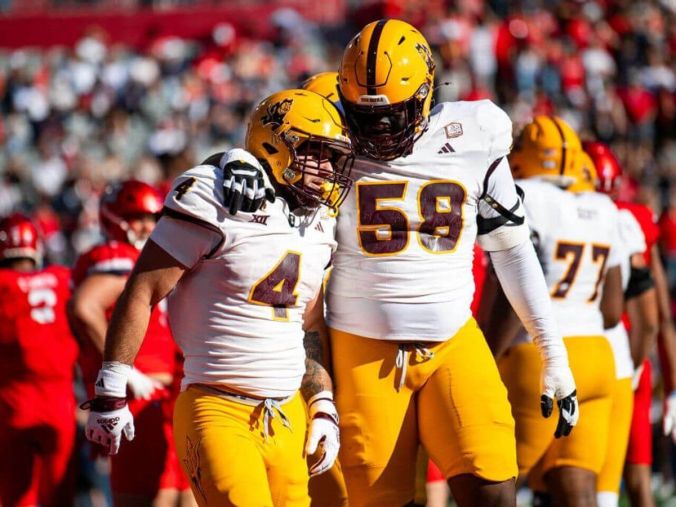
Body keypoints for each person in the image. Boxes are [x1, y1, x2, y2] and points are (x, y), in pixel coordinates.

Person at [328, 20, 579, 506]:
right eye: (366, 115)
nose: (379, 129)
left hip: (452, 341)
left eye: (393, 115)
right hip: (361, 347)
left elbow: (511, 248)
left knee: (495, 489)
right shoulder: (327, 136)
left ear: (426, 95)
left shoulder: (474, 134)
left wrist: (553, 351)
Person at [81, 88, 355, 506]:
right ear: (275, 145)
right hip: (218, 407)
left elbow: (308, 325)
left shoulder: (320, 223)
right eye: (316, 153)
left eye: (333, 157)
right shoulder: (219, 193)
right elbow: (142, 289)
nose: (328, 168)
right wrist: (111, 387)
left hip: (288, 414)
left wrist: (321, 402)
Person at [481, 116, 624, 506]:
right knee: (575, 486)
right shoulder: (603, 207)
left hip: (538, 355)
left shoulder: (525, 196)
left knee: (494, 480)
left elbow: (513, 286)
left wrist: (487, 355)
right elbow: (612, 310)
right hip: (598, 357)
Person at [68, 180, 193, 507]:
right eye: (138, 218)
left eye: (152, 218)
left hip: (167, 395)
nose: (147, 226)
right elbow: (85, 306)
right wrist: (124, 371)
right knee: (150, 497)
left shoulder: (143, 256)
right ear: (115, 218)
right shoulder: (115, 256)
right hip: (138, 397)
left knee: (186, 494)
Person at [588, 140, 676, 507]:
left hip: (586, 350)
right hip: (630, 356)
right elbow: (658, 317)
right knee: (634, 482)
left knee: (575, 479)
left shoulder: (562, 211)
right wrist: (668, 384)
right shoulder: (633, 218)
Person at [0, 213, 78, 507]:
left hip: (13, 402)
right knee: (60, 496)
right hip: (60, 402)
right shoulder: (61, 278)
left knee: (16, 497)